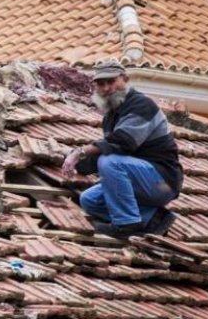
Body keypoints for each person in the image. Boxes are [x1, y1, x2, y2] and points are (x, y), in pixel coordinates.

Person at [62, 61, 183, 239]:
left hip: (163, 184)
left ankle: (126, 224)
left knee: (110, 162)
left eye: (111, 82)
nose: (106, 88)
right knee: (89, 200)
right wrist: (72, 162)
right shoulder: (111, 117)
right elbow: (107, 149)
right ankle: (154, 219)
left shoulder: (142, 105)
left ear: (125, 79)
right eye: (101, 84)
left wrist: (80, 152)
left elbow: (123, 142)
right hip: (141, 184)